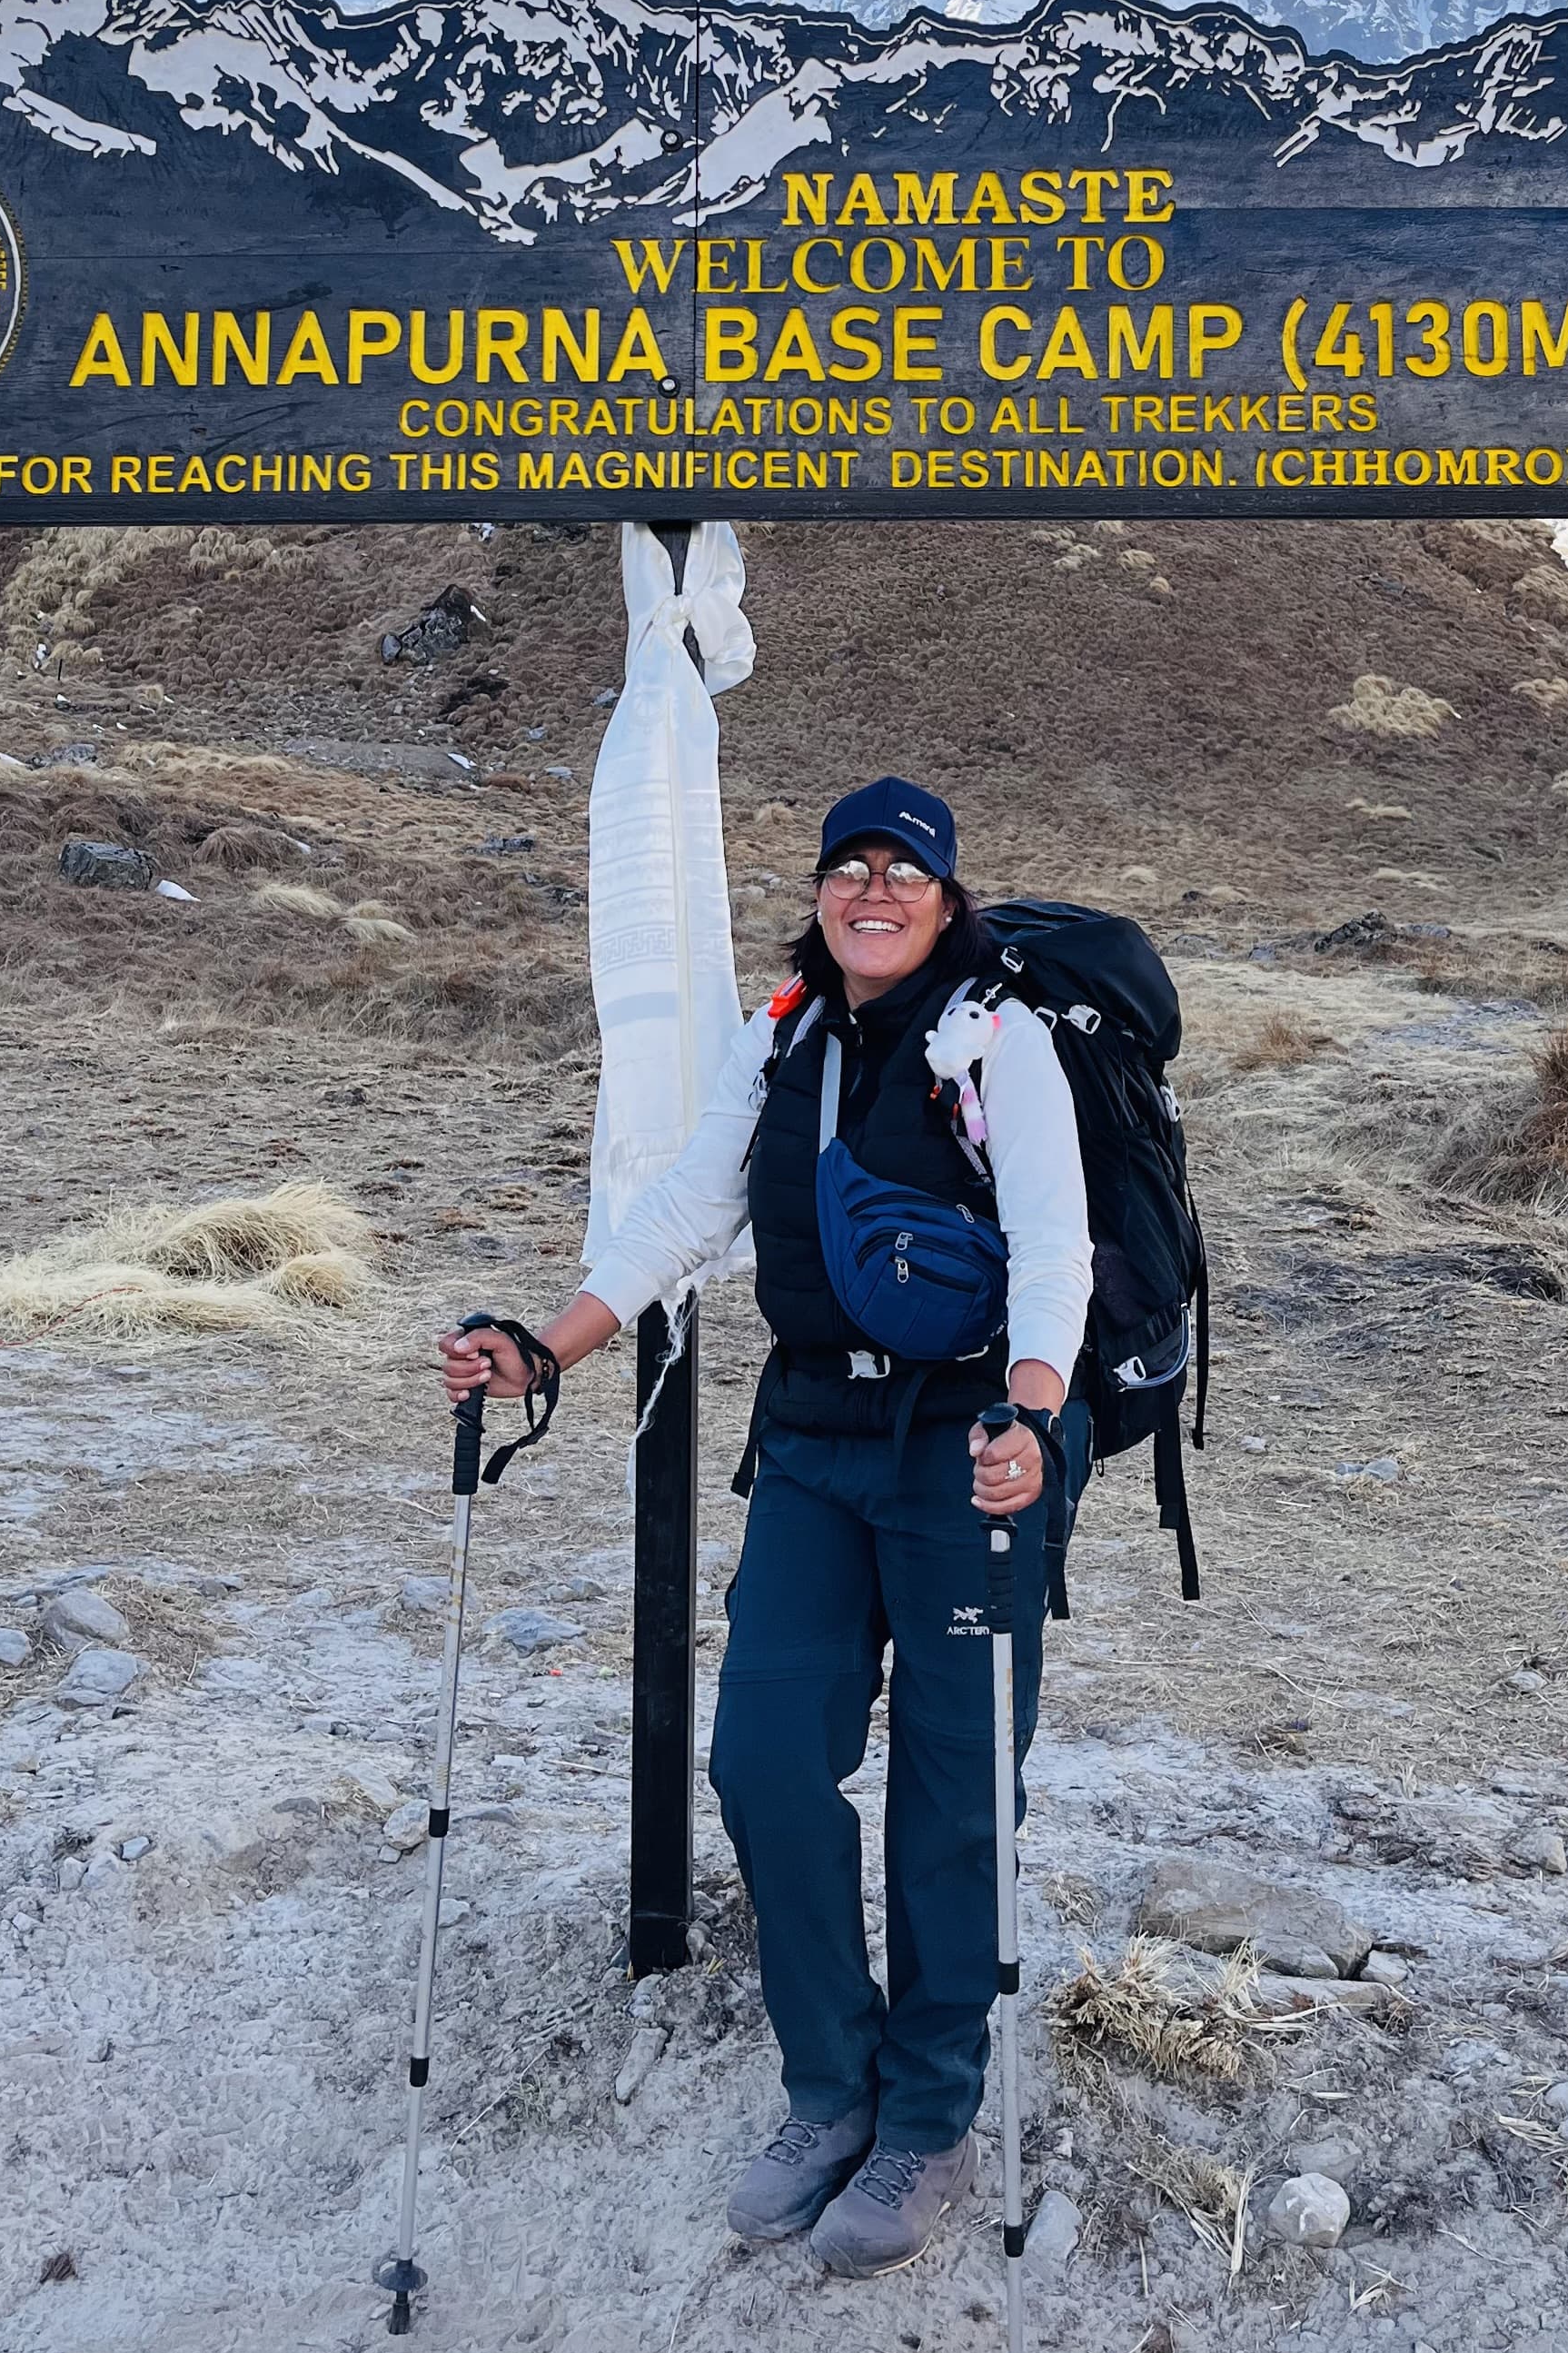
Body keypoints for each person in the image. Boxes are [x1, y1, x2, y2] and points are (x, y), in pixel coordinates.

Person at [439, 775, 1091, 2277]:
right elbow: (684, 1212)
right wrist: (549, 1345)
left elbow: (1056, 1243)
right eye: (848, 869)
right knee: (763, 1759)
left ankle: (926, 2117)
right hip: (809, 1441)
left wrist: (1037, 1417)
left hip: (964, 1445)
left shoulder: (1004, 1041)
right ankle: (829, 2088)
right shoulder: (782, 1032)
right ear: (819, 892)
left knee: (953, 1787)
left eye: (903, 873)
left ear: (946, 896)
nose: (874, 892)